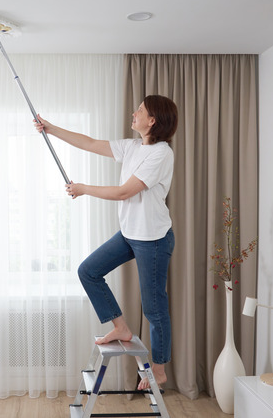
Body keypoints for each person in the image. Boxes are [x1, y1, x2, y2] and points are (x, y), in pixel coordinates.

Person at [34, 95, 178, 390]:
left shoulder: (161, 154)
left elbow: (126, 192)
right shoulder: (133, 147)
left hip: (153, 239)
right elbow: (89, 143)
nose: (134, 113)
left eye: (140, 110)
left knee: (154, 308)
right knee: (88, 271)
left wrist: (83, 188)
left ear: (152, 121)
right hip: (129, 233)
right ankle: (121, 327)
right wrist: (51, 128)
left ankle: (160, 370)